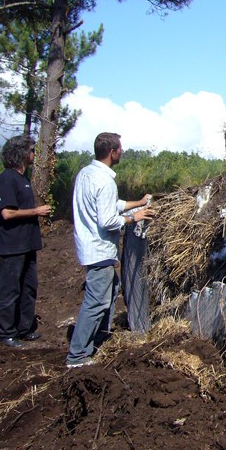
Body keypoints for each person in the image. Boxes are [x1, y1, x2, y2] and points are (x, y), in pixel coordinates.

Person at [66, 132, 154, 368]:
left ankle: (99, 339)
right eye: (120, 148)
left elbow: (109, 204)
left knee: (112, 288)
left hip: (89, 246)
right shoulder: (105, 181)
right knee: (95, 301)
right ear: (112, 152)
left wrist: (137, 202)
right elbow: (107, 220)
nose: (122, 151)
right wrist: (133, 218)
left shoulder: (87, 174)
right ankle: (78, 355)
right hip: (100, 249)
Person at [0, 135, 52, 348]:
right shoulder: (7, 179)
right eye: (32, 151)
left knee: (28, 287)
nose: (34, 155)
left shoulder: (23, 179)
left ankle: (24, 328)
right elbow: (7, 213)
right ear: (21, 154)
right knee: (10, 289)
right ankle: (6, 333)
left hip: (27, 244)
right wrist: (36, 211)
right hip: (12, 245)